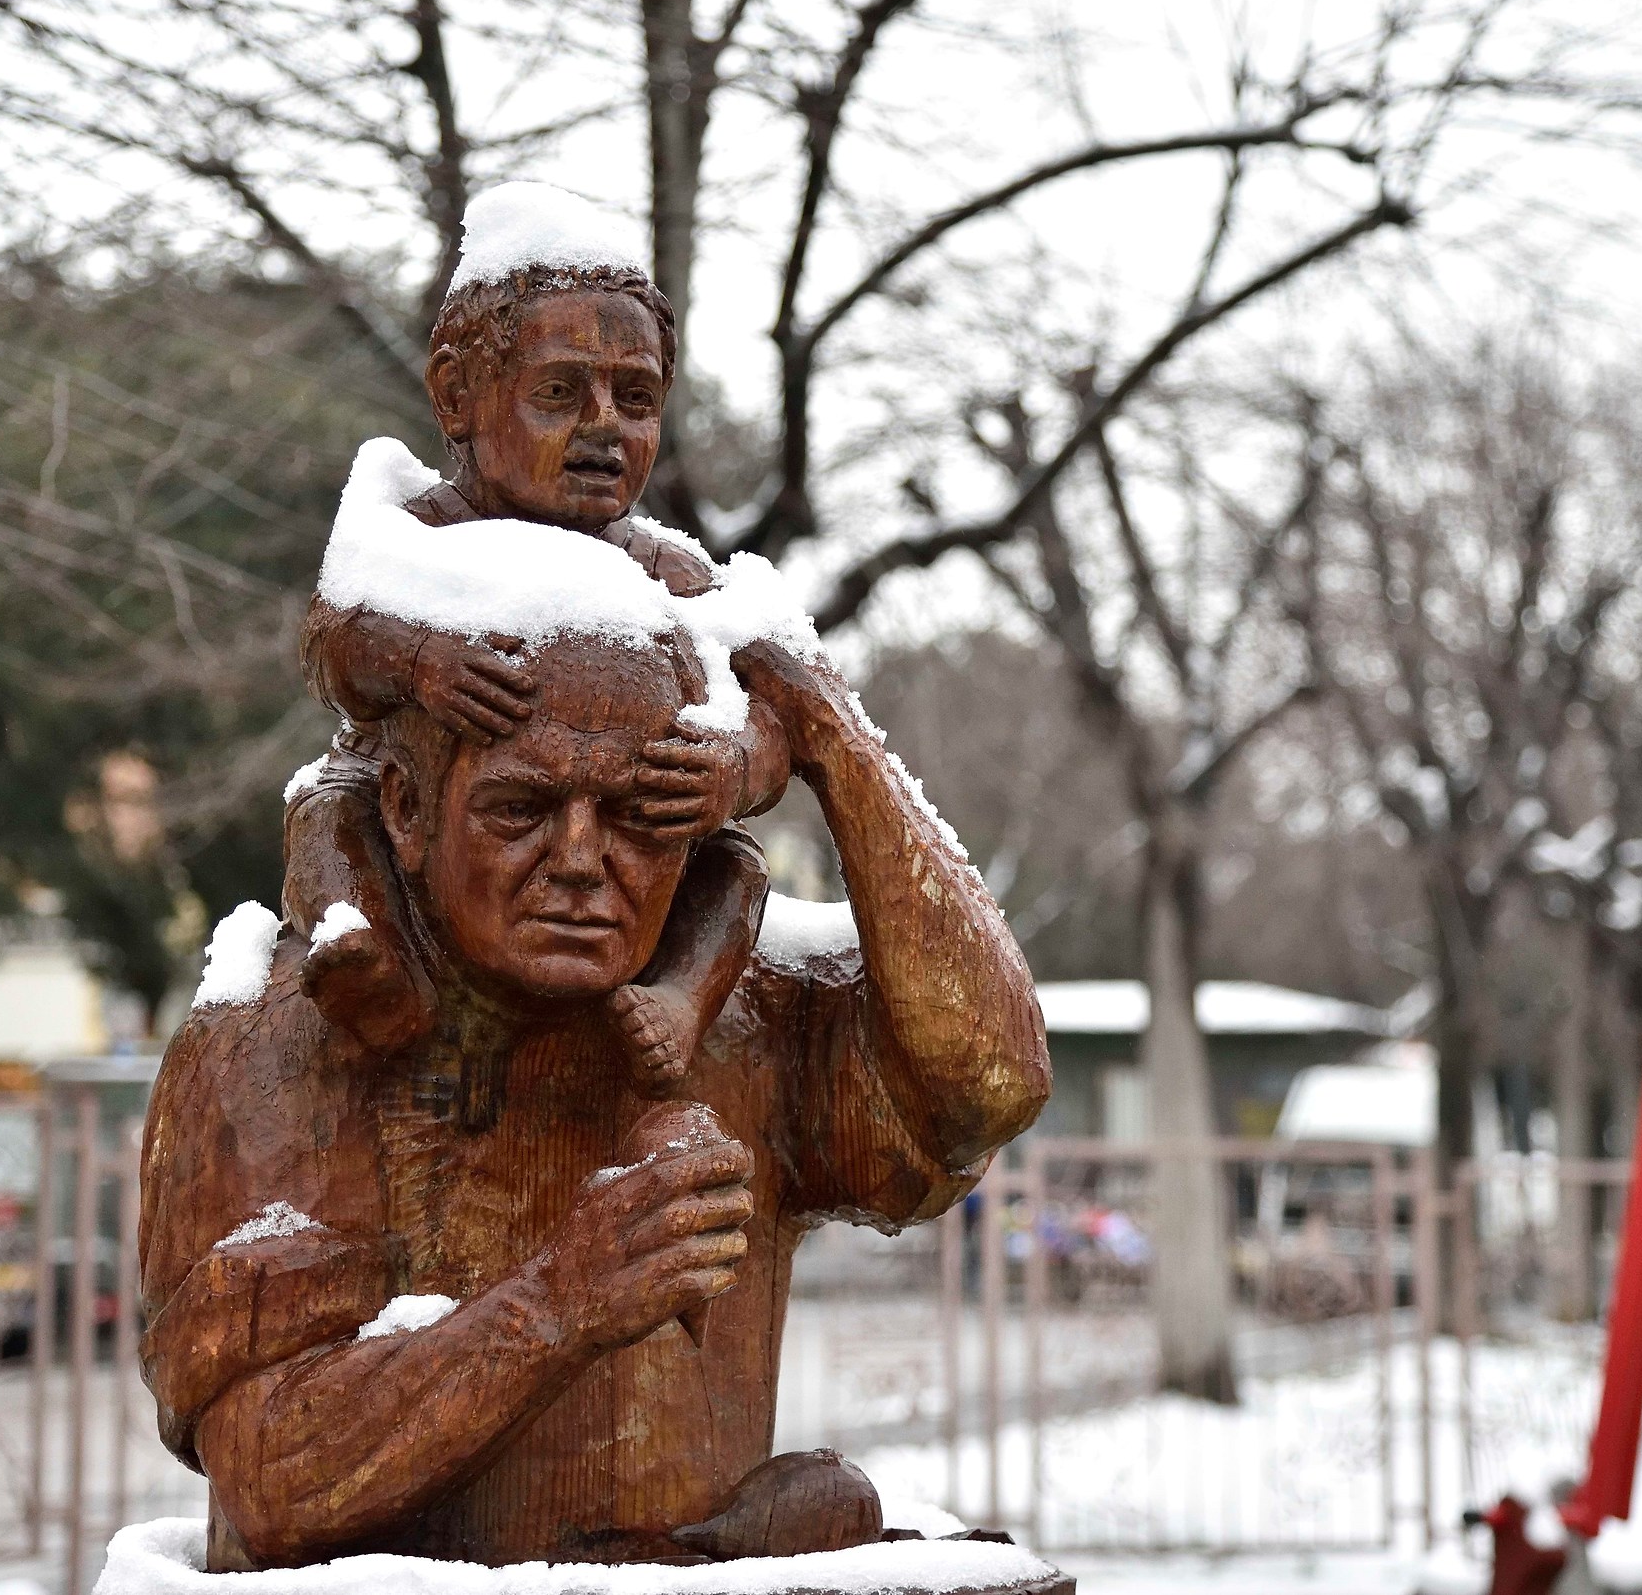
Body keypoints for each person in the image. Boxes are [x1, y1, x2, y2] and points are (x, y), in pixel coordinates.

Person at [137, 630, 1050, 1571]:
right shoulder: (272, 1040)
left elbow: (989, 1084)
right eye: (520, 808)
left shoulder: (750, 1015)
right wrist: (557, 1304)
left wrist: (832, 738)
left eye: (638, 817)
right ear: (409, 813)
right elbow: (268, 1476)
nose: (580, 859)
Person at [285, 183, 786, 1095]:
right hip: (417, 813)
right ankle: (362, 954)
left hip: (631, 839)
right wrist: (419, 661)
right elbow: (333, 639)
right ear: (457, 395)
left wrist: (734, 770)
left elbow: (773, 717)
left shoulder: (671, 574)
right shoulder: (419, 534)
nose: (603, 427)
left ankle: (680, 1001)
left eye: (634, 398)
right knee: (326, 810)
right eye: (559, 393)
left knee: (737, 873)